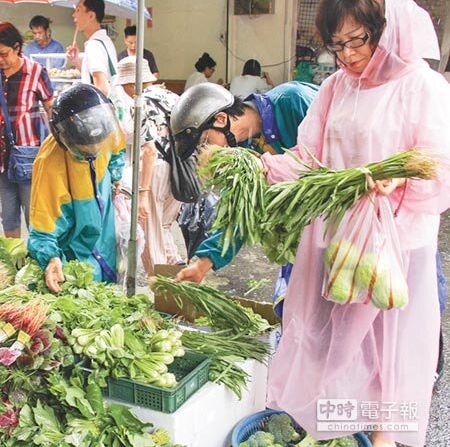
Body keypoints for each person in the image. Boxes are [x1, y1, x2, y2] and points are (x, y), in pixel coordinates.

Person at [258, 0, 449, 447]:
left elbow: (439, 166)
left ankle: (387, 435)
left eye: (356, 40)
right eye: (336, 45)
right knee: (335, 332)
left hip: (398, 237)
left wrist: (400, 181)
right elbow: (309, 157)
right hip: (339, 235)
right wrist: (262, 168)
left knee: (392, 339)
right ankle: (339, 416)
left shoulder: (421, 86)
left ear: (385, 30)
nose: (346, 54)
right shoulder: (336, 87)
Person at [171, 81, 317, 313]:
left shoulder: (294, 101)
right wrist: (202, 264)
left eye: (205, 141)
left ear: (221, 119)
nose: (206, 150)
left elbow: (338, 155)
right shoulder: (246, 151)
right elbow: (237, 212)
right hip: (305, 235)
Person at [28, 84, 125, 293]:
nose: (96, 150)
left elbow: (118, 151)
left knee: (109, 282)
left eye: (99, 145)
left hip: (104, 227)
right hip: (74, 246)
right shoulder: (49, 165)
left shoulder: (105, 126)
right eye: (85, 151)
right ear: (67, 140)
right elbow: (42, 227)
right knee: (84, 287)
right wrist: (51, 258)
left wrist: (116, 177)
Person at [116, 56, 183, 275]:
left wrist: (143, 192)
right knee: (163, 227)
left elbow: (149, 150)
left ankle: (160, 285)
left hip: (156, 170)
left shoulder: (140, 103)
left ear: (130, 83)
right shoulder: (171, 96)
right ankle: (177, 270)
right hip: (180, 169)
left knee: (151, 234)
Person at [0, 22, 53, 238]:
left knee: (35, 216)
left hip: (29, 156)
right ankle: (14, 257)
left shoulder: (35, 71)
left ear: (16, 47)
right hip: (2, 158)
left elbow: (51, 109)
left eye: (4, 54)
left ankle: (37, 256)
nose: (0, 60)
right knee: (8, 216)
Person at [66, 0, 118, 99]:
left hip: (101, 107)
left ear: (91, 16)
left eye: (78, 10)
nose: (73, 15)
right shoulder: (105, 40)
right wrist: (76, 62)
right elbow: (93, 78)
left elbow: (102, 89)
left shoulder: (94, 45)